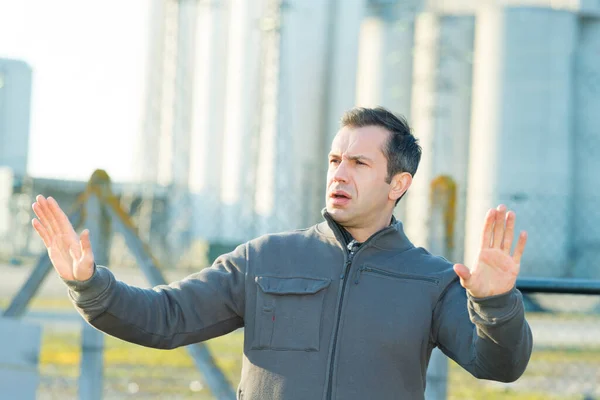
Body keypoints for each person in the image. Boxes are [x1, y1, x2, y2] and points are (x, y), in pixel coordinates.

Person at [31, 107, 532, 400]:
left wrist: (495, 304)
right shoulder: (264, 258)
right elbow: (165, 317)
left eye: (359, 162)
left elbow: (499, 365)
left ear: (397, 183)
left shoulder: (432, 279)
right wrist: (90, 285)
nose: (339, 173)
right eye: (336, 159)